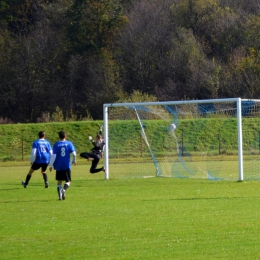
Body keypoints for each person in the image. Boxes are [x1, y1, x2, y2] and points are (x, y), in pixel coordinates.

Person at [49, 130, 76, 200]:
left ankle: (60, 197)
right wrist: (74, 160)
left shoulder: (56, 144)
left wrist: (51, 165)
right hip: (66, 165)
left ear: (59, 136)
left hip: (58, 165)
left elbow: (53, 155)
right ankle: (64, 189)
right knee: (68, 181)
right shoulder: (69, 144)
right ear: (65, 136)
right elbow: (74, 153)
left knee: (59, 182)